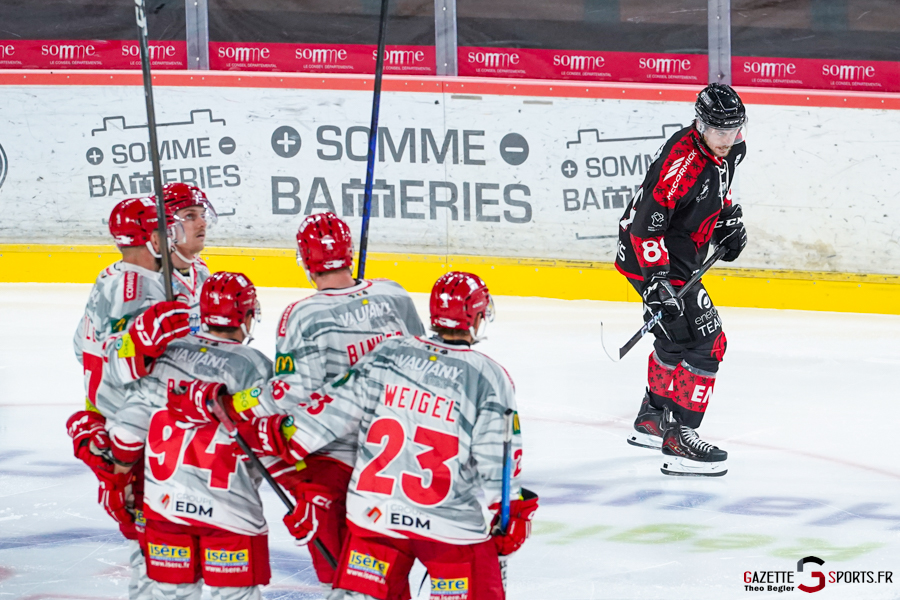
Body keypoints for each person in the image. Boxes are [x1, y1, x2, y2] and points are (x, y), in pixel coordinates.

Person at [201, 271, 538, 600]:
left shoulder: (388, 354)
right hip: (447, 525)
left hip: (375, 517)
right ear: (477, 318)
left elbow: (328, 412)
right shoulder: (489, 376)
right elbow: (499, 459)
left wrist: (269, 432)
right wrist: (510, 512)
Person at [262, 211, 425, 596]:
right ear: (349, 252)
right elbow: (420, 360)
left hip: (336, 464)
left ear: (304, 261)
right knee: (387, 572)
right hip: (400, 461)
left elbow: (290, 395)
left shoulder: (302, 314)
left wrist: (246, 402)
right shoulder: (394, 293)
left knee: (348, 579)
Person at [106, 272, 275, 600]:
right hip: (230, 510)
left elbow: (127, 434)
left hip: (165, 508)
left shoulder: (166, 352)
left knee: (170, 595)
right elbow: (271, 441)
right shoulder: (256, 367)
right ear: (248, 316)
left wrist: (119, 480)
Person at [615, 82, 748, 477]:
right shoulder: (682, 164)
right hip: (653, 257)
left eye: (733, 130)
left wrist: (725, 222)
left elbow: (716, 189)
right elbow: (645, 228)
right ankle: (680, 438)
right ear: (700, 123)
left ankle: (653, 419)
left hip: (674, 256)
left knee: (674, 336)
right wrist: (659, 285)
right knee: (708, 342)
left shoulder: (729, 148)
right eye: (719, 131)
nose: (727, 139)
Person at [66, 196, 190, 600]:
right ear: (145, 237)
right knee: (158, 545)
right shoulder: (131, 287)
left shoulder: (117, 276)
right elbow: (118, 359)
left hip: (124, 429)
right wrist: (140, 343)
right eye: (161, 228)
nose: (169, 235)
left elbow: (81, 345)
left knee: (156, 544)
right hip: (133, 437)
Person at [163, 182, 216, 334]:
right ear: (167, 225)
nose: (203, 223)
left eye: (202, 215)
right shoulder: (150, 281)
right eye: (190, 216)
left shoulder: (201, 270)